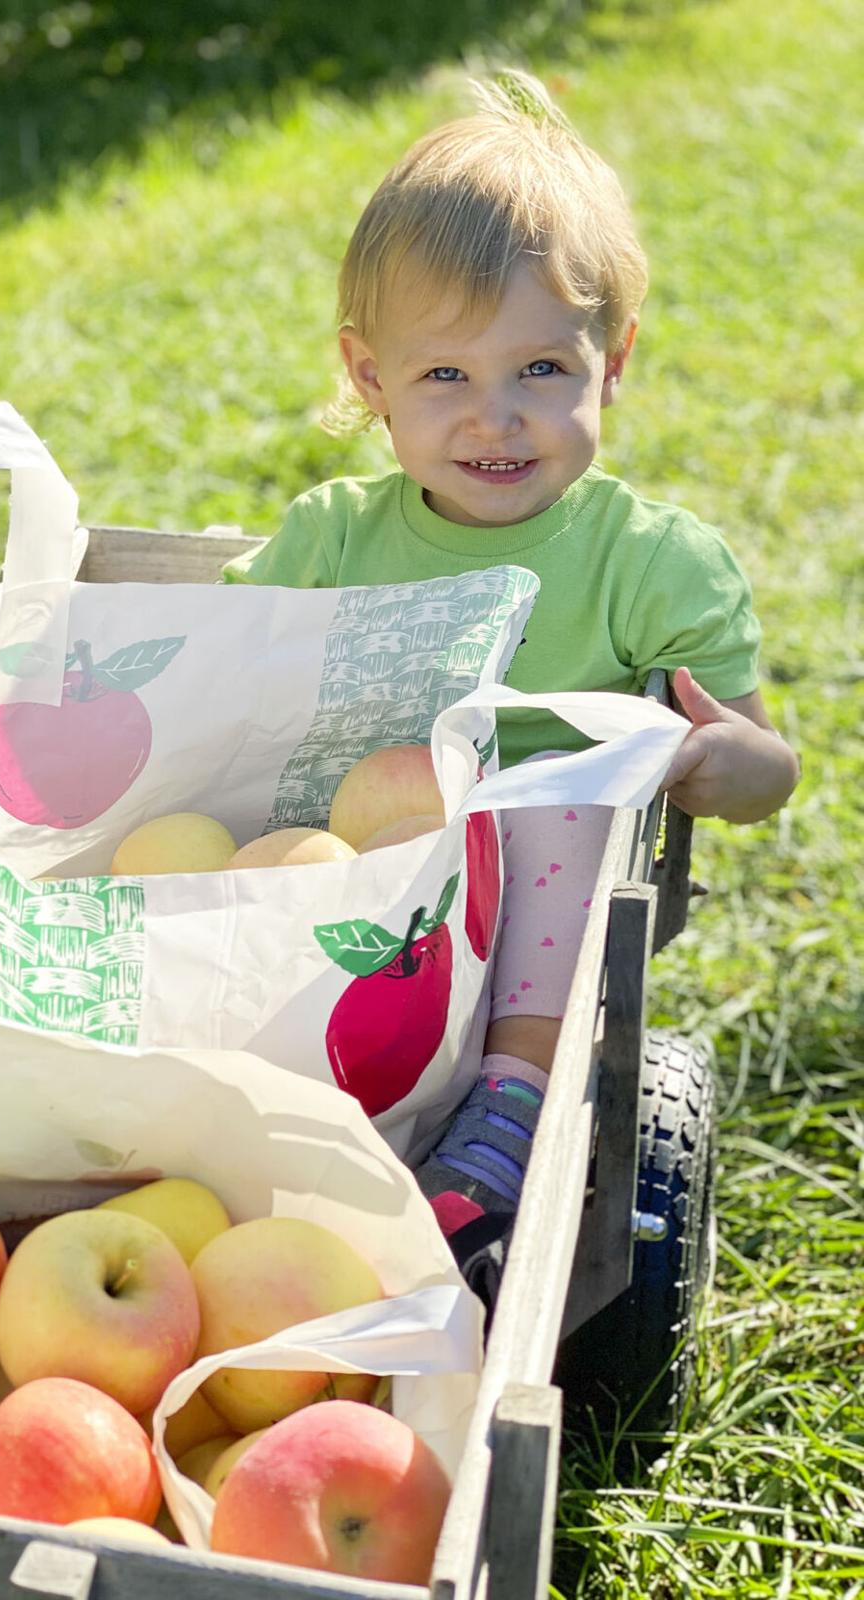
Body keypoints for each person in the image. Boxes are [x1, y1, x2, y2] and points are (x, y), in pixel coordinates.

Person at [222, 71, 799, 1266]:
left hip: (537, 904)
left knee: (562, 805)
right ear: (372, 378)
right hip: (364, 876)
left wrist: (712, 757)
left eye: (542, 370)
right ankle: (259, 1077)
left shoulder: (649, 564)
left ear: (614, 360)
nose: (497, 418)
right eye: (447, 377)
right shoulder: (332, 538)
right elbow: (224, 683)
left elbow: (769, 769)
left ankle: (510, 1106)